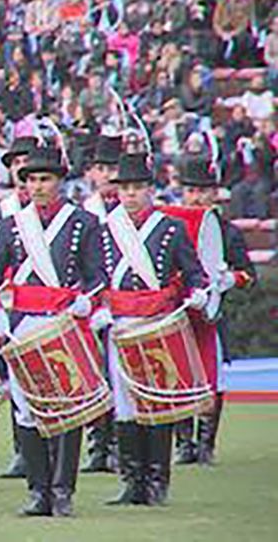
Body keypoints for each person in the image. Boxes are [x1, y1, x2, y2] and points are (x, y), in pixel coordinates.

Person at [0, 140, 105, 517]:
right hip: (23, 327)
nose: (37, 186)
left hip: (65, 325)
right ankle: (38, 491)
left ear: (59, 182)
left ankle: (63, 490)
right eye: (30, 179)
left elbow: (98, 276)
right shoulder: (13, 225)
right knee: (28, 412)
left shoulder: (84, 222)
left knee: (68, 409)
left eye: (45, 179)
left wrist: (87, 301)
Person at [94, 153, 206, 507]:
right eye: (124, 188)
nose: (130, 194)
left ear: (150, 190)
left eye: (137, 188)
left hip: (158, 324)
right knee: (125, 405)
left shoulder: (170, 228)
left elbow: (192, 272)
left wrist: (199, 291)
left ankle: (158, 481)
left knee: (158, 402)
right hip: (120, 324)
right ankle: (132, 480)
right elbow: (95, 278)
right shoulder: (106, 229)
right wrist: (98, 309)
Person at [172, 158, 256, 467]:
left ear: (214, 194)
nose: (196, 197)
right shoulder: (170, 226)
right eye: (191, 191)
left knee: (212, 378)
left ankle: (206, 443)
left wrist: (229, 279)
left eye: (203, 191)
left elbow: (248, 275)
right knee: (178, 378)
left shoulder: (227, 232)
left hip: (211, 316)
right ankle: (184, 442)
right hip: (179, 313)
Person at [0, 131, 35, 480]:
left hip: (38, 299)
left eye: (26, 162)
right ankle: (21, 448)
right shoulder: (0, 211)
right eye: (16, 164)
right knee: (12, 375)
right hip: (7, 301)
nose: (21, 170)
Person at [78, 132, 122, 475]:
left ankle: (123, 445)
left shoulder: (136, 213)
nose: (106, 175)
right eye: (101, 168)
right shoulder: (83, 213)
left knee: (123, 375)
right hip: (92, 306)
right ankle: (97, 445)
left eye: (113, 168)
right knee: (93, 376)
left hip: (127, 305)